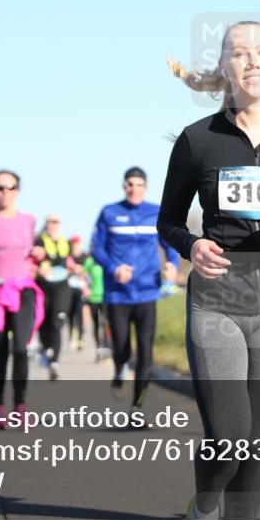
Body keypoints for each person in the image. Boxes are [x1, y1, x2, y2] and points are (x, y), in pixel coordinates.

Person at [160, 21, 260, 520]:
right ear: (224, 66)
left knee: (256, 442)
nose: (252, 61)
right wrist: (190, 245)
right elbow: (169, 219)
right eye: (239, 53)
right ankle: (203, 511)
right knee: (228, 438)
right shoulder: (199, 140)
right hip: (217, 303)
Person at [91, 166, 179, 411]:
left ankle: (137, 406)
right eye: (130, 184)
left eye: (139, 184)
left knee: (145, 349)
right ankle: (120, 365)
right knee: (121, 348)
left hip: (147, 291)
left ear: (145, 187)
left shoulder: (156, 212)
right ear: (124, 186)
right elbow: (97, 248)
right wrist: (114, 268)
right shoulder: (109, 212)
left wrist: (171, 264)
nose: (134, 189)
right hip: (117, 293)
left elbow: (169, 242)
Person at [0, 170, 46, 427]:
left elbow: (36, 252)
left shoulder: (29, 220)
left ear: (17, 191)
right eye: (0, 187)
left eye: (10, 187)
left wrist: (40, 252)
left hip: (23, 290)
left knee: (20, 349)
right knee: (1, 351)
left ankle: (21, 406)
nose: (5, 192)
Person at [34, 214, 72, 379]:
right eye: (50, 222)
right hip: (43, 286)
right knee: (43, 322)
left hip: (61, 287)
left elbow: (70, 262)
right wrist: (37, 268)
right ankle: (45, 347)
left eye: (56, 222)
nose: (53, 225)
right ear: (46, 224)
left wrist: (74, 268)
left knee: (57, 323)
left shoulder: (66, 242)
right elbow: (32, 261)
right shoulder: (39, 241)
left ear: (60, 224)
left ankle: (54, 361)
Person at [83, 250, 109, 361]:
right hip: (93, 297)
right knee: (96, 323)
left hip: (106, 296)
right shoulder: (89, 262)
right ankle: (98, 347)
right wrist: (86, 288)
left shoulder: (107, 259)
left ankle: (107, 346)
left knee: (106, 322)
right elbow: (84, 276)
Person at [66, 235, 89, 351]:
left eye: (76, 243)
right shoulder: (68, 256)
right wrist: (73, 268)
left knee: (80, 313)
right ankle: (71, 335)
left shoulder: (84, 256)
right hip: (69, 288)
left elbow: (86, 272)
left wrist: (78, 269)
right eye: (73, 243)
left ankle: (80, 337)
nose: (75, 245)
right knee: (70, 313)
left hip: (81, 288)